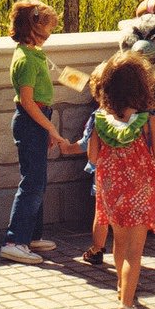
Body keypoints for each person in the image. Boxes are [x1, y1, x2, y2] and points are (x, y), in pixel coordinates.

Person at [88, 50, 155, 309]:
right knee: (134, 253)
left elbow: (92, 156)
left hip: (112, 191)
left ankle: (120, 288)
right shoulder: (148, 121)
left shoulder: (100, 120)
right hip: (139, 193)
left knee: (119, 242)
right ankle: (127, 304)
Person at [0, 0, 69, 265]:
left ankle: (29, 236)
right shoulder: (26, 59)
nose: (50, 34)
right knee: (32, 182)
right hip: (31, 121)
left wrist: (47, 126)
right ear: (33, 27)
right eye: (48, 28)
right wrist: (49, 126)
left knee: (38, 181)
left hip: (36, 120)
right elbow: (27, 101)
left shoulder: (32, 54)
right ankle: (14, 240)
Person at [59, 61, 109, 265]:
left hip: (107, 176)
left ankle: (97, 249)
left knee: (102, 213)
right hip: (133, 177)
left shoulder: (99, 118)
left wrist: (67, 148)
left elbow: (87, 147)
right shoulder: (141, 117)